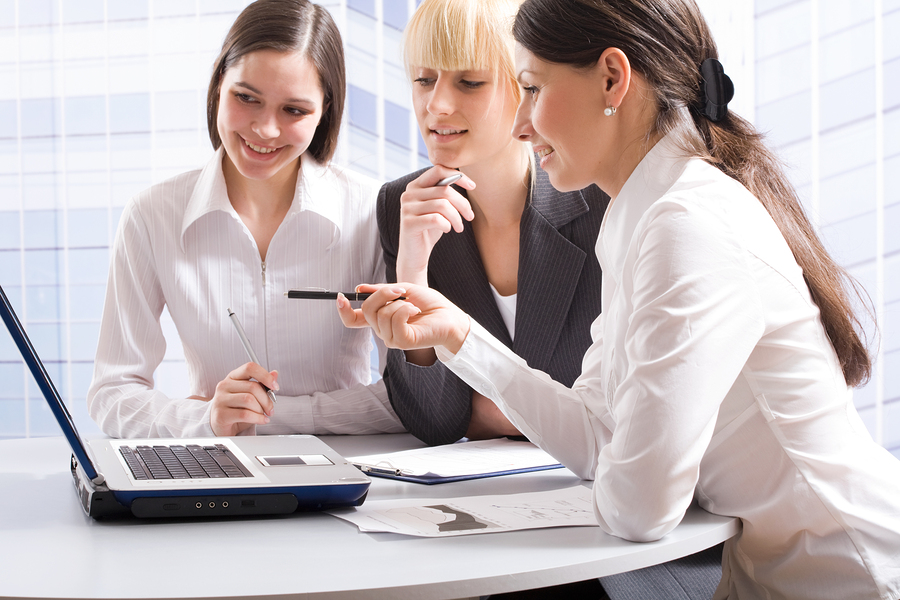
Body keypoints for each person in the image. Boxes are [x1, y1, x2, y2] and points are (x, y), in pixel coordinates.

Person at [339, 0, 900, 598]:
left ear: (612, 78)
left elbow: (639, 509)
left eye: (530, 88)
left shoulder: (686, 223)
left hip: (848, 578)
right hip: (767, 578)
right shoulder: (642, 216)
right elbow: (597, 431)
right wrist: (458, 336)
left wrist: (619, 459)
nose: (522, 124)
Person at [88, 0, 403, 439]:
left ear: (325, 110)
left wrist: (269, 417)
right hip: (216, 471)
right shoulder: (152, 215)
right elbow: (113, 392)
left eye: (294, 110)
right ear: (219, 82)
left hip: (347, 472)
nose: (266, 130)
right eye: (246, 98)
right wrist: (205, 419)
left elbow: (405, 399)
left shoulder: (372, 211)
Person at [378, 0, 608, 446]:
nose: (437, 104)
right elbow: (432, 420)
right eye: (424, 80)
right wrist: (413, 272)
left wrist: (488, 413)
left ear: (524, 88)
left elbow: (611, 408)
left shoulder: (600, 199)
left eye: (469, 82)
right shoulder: (402, 206)